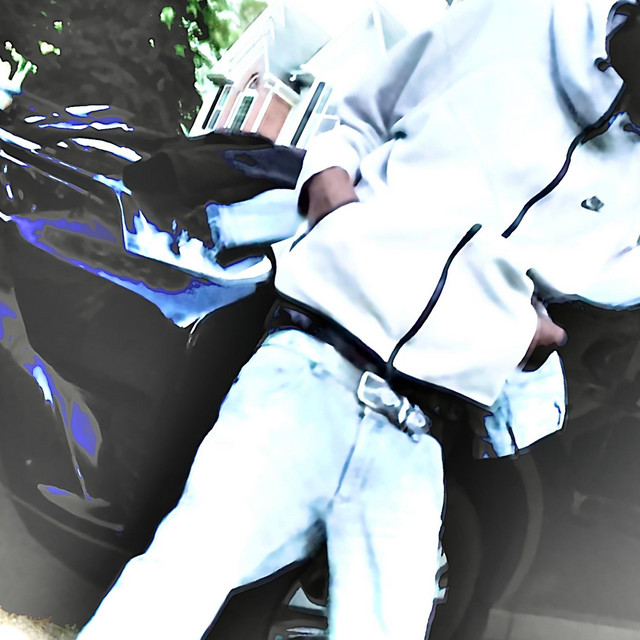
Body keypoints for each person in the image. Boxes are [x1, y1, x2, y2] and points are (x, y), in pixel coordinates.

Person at [78, 0, 640, 638]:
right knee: (179, 579)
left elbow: (602, 289)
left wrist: (530, 339)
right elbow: (367, 112)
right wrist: (332, 189)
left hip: (420, 430)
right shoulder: (517, 18)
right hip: (310, 369)